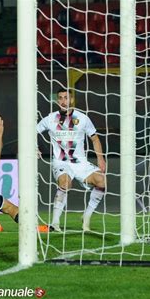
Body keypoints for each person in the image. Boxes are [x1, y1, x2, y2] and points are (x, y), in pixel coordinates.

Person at [37, 88, 106, 232]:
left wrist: (101, 159)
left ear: (72, 100)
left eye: (66, 98)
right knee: (65, 182)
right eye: (60, 98)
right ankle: (55, 223)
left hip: (80, 163)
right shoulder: (50, 118)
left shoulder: (83, 118)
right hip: (61, 162)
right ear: (57, 101)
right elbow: (32, 131)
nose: (63, 101)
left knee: (101, 181)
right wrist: (34, 147)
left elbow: (95, 138)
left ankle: (86, 216)